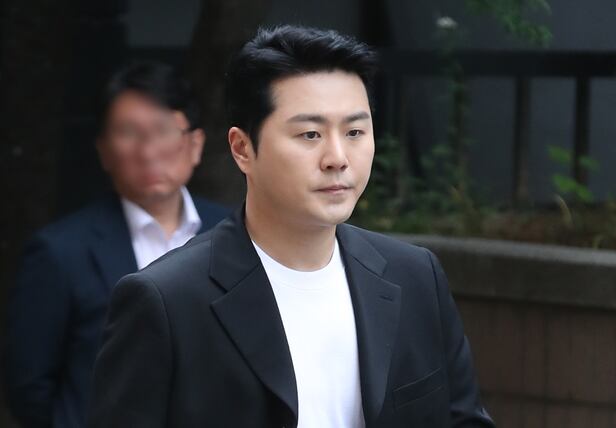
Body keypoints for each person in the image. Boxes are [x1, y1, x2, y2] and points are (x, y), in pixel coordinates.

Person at [89, 27, 494, 428]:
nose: (337, 157)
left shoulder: (416, 275)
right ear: (242, 148)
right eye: (310, 134)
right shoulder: (166, 300)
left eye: (354, 132)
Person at [4, 61, 229, 428]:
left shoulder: (235, 234)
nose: (148, 150)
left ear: (195, 144)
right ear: (104, 151)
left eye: (163, 129)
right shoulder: (59, 252)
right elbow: (29, 387)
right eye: (128, 132)